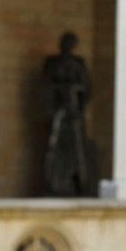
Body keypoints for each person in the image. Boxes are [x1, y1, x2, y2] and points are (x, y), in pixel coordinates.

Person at [42, 31, 93, 196]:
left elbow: (86, 88)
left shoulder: (78, 64)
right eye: (65, 43)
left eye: (70, 44)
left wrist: (76, 96)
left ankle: (78, 184)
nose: (67, 47)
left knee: (77, 149)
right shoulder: (52, 64)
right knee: (55, 148)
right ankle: (56, 184)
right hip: (58, 113)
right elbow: (46, 88)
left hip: (74, 114)